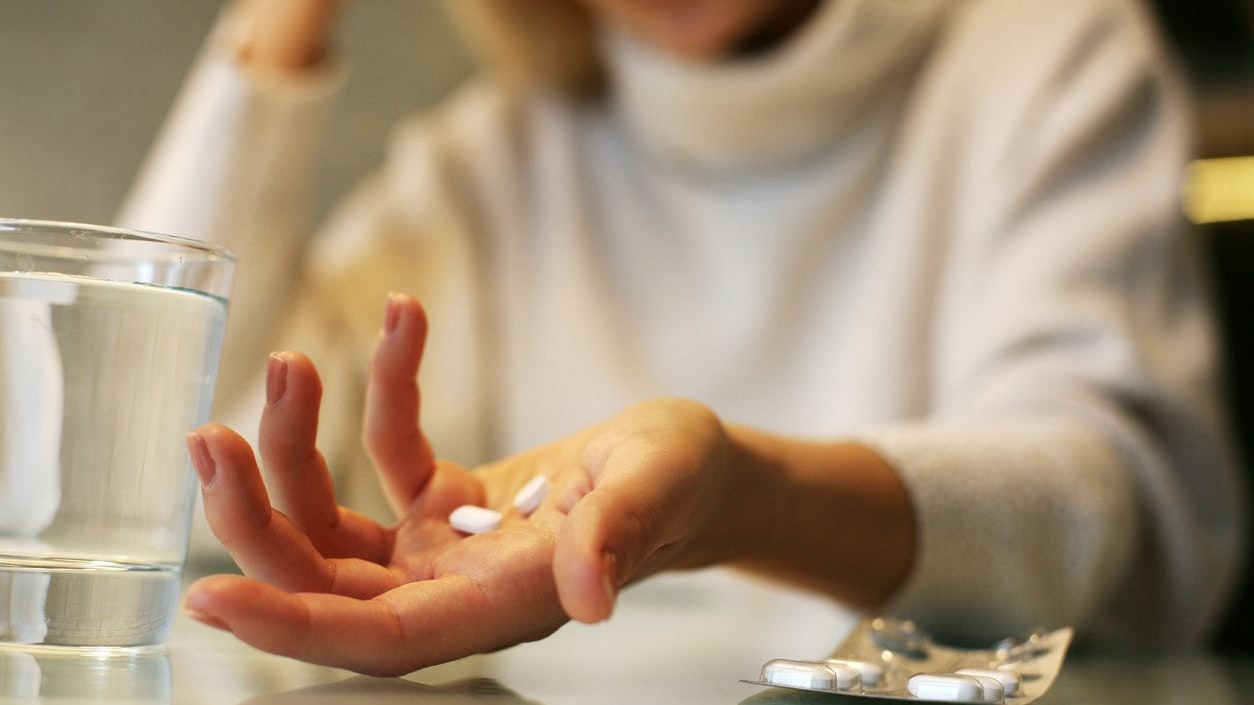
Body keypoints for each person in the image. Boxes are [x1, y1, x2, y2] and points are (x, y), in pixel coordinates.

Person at [119, 0, 1243, 676]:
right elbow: (145, 438)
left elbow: (1123, 512)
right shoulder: (498, 156)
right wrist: (281, 29)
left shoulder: (1040, 51)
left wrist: (738, 497)